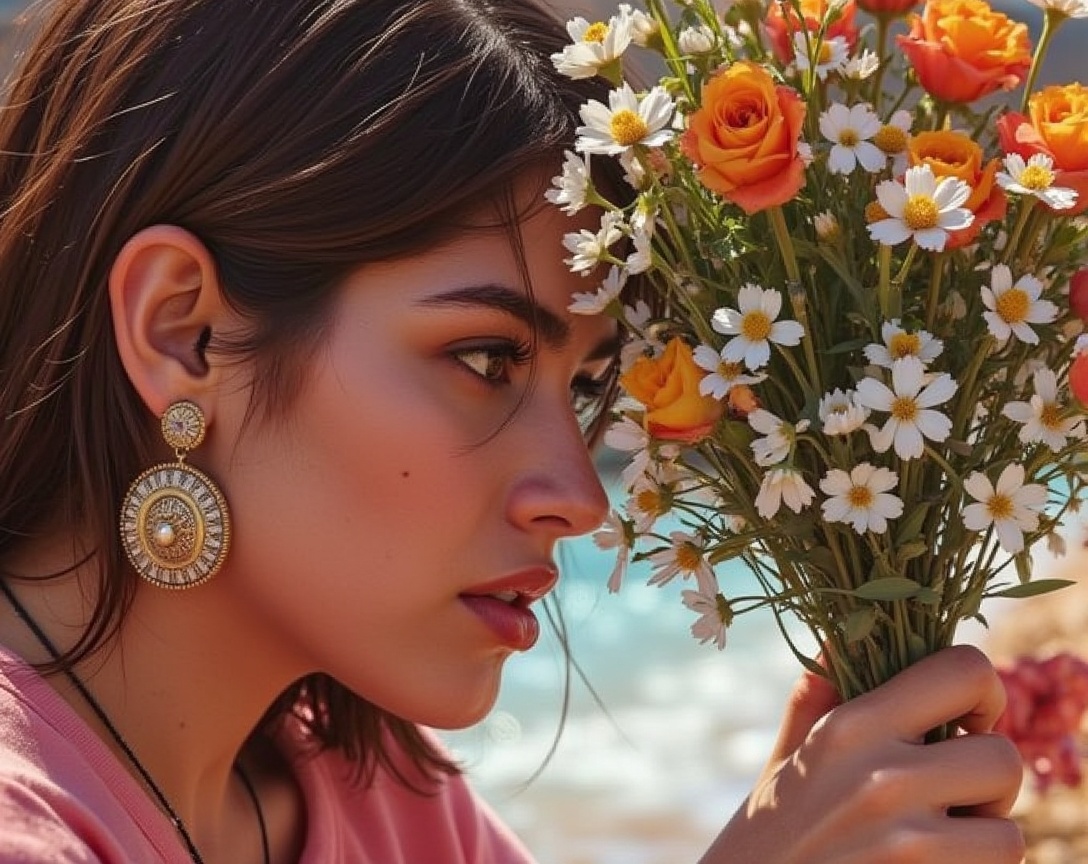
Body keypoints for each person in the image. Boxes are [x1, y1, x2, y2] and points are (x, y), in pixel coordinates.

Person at [0, 1, 1026, 862]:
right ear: (182, 331)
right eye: (486, 359)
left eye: (583, 381)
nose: (578, 499)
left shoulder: (377, 799)